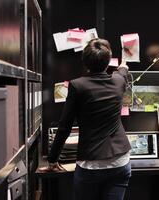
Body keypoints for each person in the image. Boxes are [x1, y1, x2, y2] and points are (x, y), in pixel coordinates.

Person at [41, 38, 132, 200]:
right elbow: (122, 71)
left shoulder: (77, 86)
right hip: (120, 161)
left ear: (84, 62)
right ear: (107, 61)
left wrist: (52, 160)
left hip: (91, 164)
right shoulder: (118, 81)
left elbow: (64, 127)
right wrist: (123, 66)